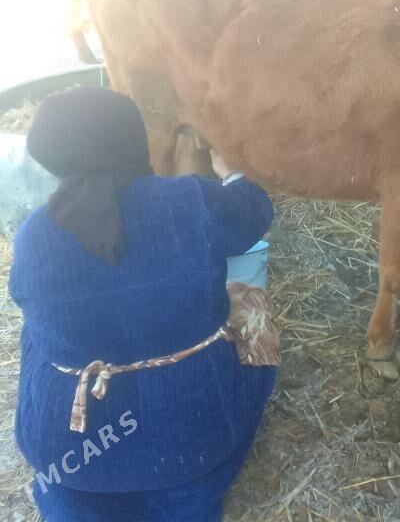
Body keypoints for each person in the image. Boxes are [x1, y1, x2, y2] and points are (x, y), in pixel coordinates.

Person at [10, 87, 279, 522]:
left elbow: (26, 297)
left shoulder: (33, 234)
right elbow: (253, 214)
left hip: (69, 455)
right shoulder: (189, 200)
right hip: (189, 445)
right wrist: (232, 174)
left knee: (36, 330)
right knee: (249, 298)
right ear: (131, 139)